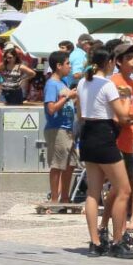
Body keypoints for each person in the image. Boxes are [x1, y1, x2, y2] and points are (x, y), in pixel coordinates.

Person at [76, 47, 133, 259]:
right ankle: (118, 240)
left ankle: (95, 241)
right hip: (104, 134)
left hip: (88, 134)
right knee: (123, 189)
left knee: (93, 192)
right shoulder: (108, 84)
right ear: (109, 62)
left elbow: (81, 113)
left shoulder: (83, 82)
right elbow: (123, 116)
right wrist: (127, 98)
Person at [109, 43, 133, 232]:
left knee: (121, 190)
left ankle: (112, 228)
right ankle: (119, 232)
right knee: (122, 190)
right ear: (118, 62)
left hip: (130, 140)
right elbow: (120, 117)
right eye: (129, 58)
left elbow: (132, 111)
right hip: (118, 141)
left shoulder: (131, 83)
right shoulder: (116, 83)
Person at [43, 51, 78, 204]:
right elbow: (51, 108)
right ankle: (55, 199)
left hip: (69, 129)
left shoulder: (63, 83)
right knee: (57, 165)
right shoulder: (51, 84)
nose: (70, 66)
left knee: (70, 165)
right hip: (57, 129)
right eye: (67, 63)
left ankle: (65, 197)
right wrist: (67, 97)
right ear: (58, 66)